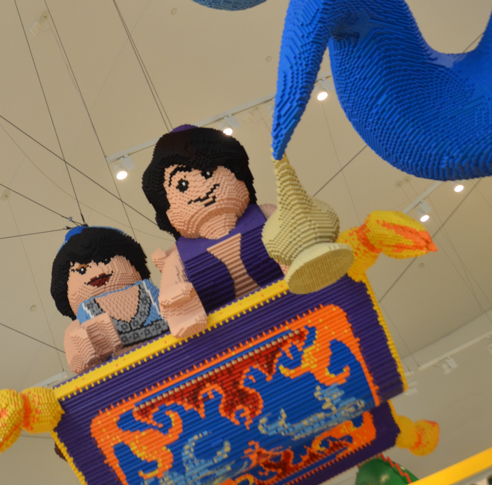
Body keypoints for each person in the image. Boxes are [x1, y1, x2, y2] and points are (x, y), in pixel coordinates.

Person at [142, 126, 352, 337]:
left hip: (300, 311)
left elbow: (296, 236)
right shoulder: (179, 257)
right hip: (234, 334)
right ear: (166, 208)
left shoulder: (265, 215)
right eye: (182, 184)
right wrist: (178, 302)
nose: (203, 189)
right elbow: (172, 289)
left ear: (238, 175)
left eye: (207, 173)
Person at [51, 225, 168, 375]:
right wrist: (81, 348)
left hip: (170, 356)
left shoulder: (149, 292)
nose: (97, 272)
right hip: (125, 376)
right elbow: (78, 363)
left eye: (106, 260)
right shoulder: (81, 320)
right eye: (82, 270)